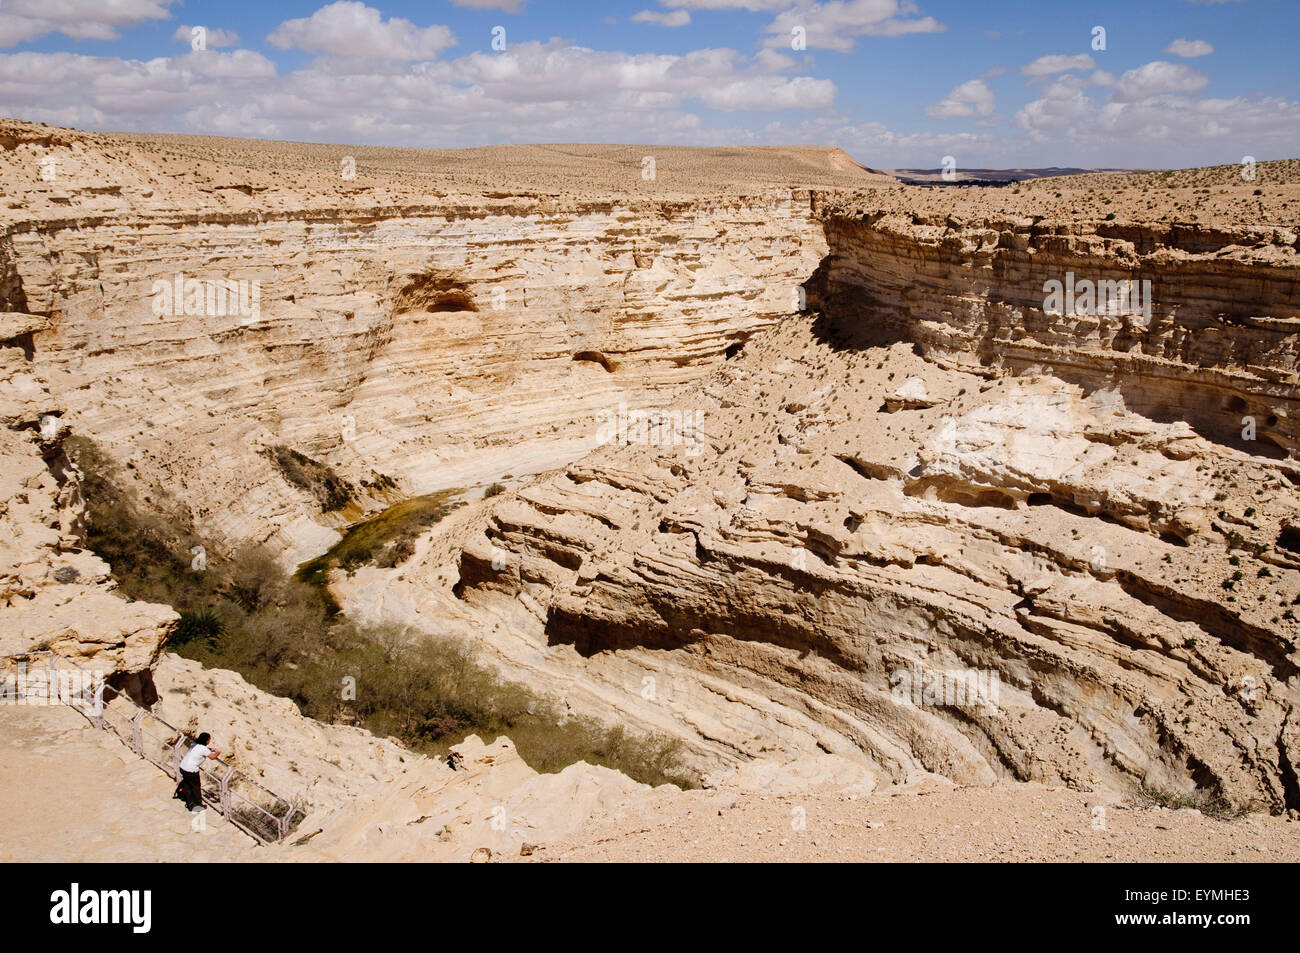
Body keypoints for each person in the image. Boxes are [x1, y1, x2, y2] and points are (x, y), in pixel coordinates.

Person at [174, 731, 221, 812]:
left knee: (188, 786)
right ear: (206, 740)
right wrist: (217, 752)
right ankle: (198, 805)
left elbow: (202, 750)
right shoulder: (203, 749)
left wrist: (210, 749)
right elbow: (212, 757)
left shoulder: (194, 745)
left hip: (183, 767)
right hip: (191, 770)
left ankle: (190, 804)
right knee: (196, 787)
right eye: (209, 739)